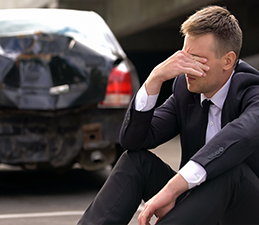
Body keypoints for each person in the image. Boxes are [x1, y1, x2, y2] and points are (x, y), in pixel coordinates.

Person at [77, 5, 259, 225]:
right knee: (135, 162)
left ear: (228, 61)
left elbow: (239, 136)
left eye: (198, 59)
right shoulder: (186, 89)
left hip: (245, 210)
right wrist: (154, 79)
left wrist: (172, 188)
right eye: (185, 56)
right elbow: (134, 141)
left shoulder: (252, 90)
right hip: (199, 204)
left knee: (231, 171)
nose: (187, 67)